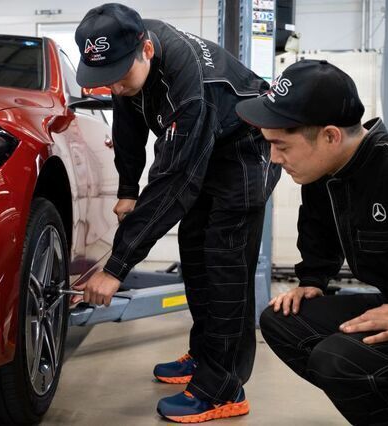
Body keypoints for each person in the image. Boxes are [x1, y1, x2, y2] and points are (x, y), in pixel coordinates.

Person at [71, 3, 281, 423]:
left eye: (119, 76)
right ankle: (205, 355)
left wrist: (116, 267)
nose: (113, 87)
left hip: (245, 150)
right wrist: (127, 190)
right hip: (212, 145)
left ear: (146, 51)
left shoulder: (187, 85)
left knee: (224, 263)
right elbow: (128, 127)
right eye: (104, 78)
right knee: (195, 252)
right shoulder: (128, 55)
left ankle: (222, 388)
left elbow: (174, 182)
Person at [236, 59, 388, 425]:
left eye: (281, 146)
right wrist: (312, 281)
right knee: (284, 320)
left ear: (330, 136)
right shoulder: (325, 172)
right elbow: (318, 231)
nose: (274, 158)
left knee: (338, 359)